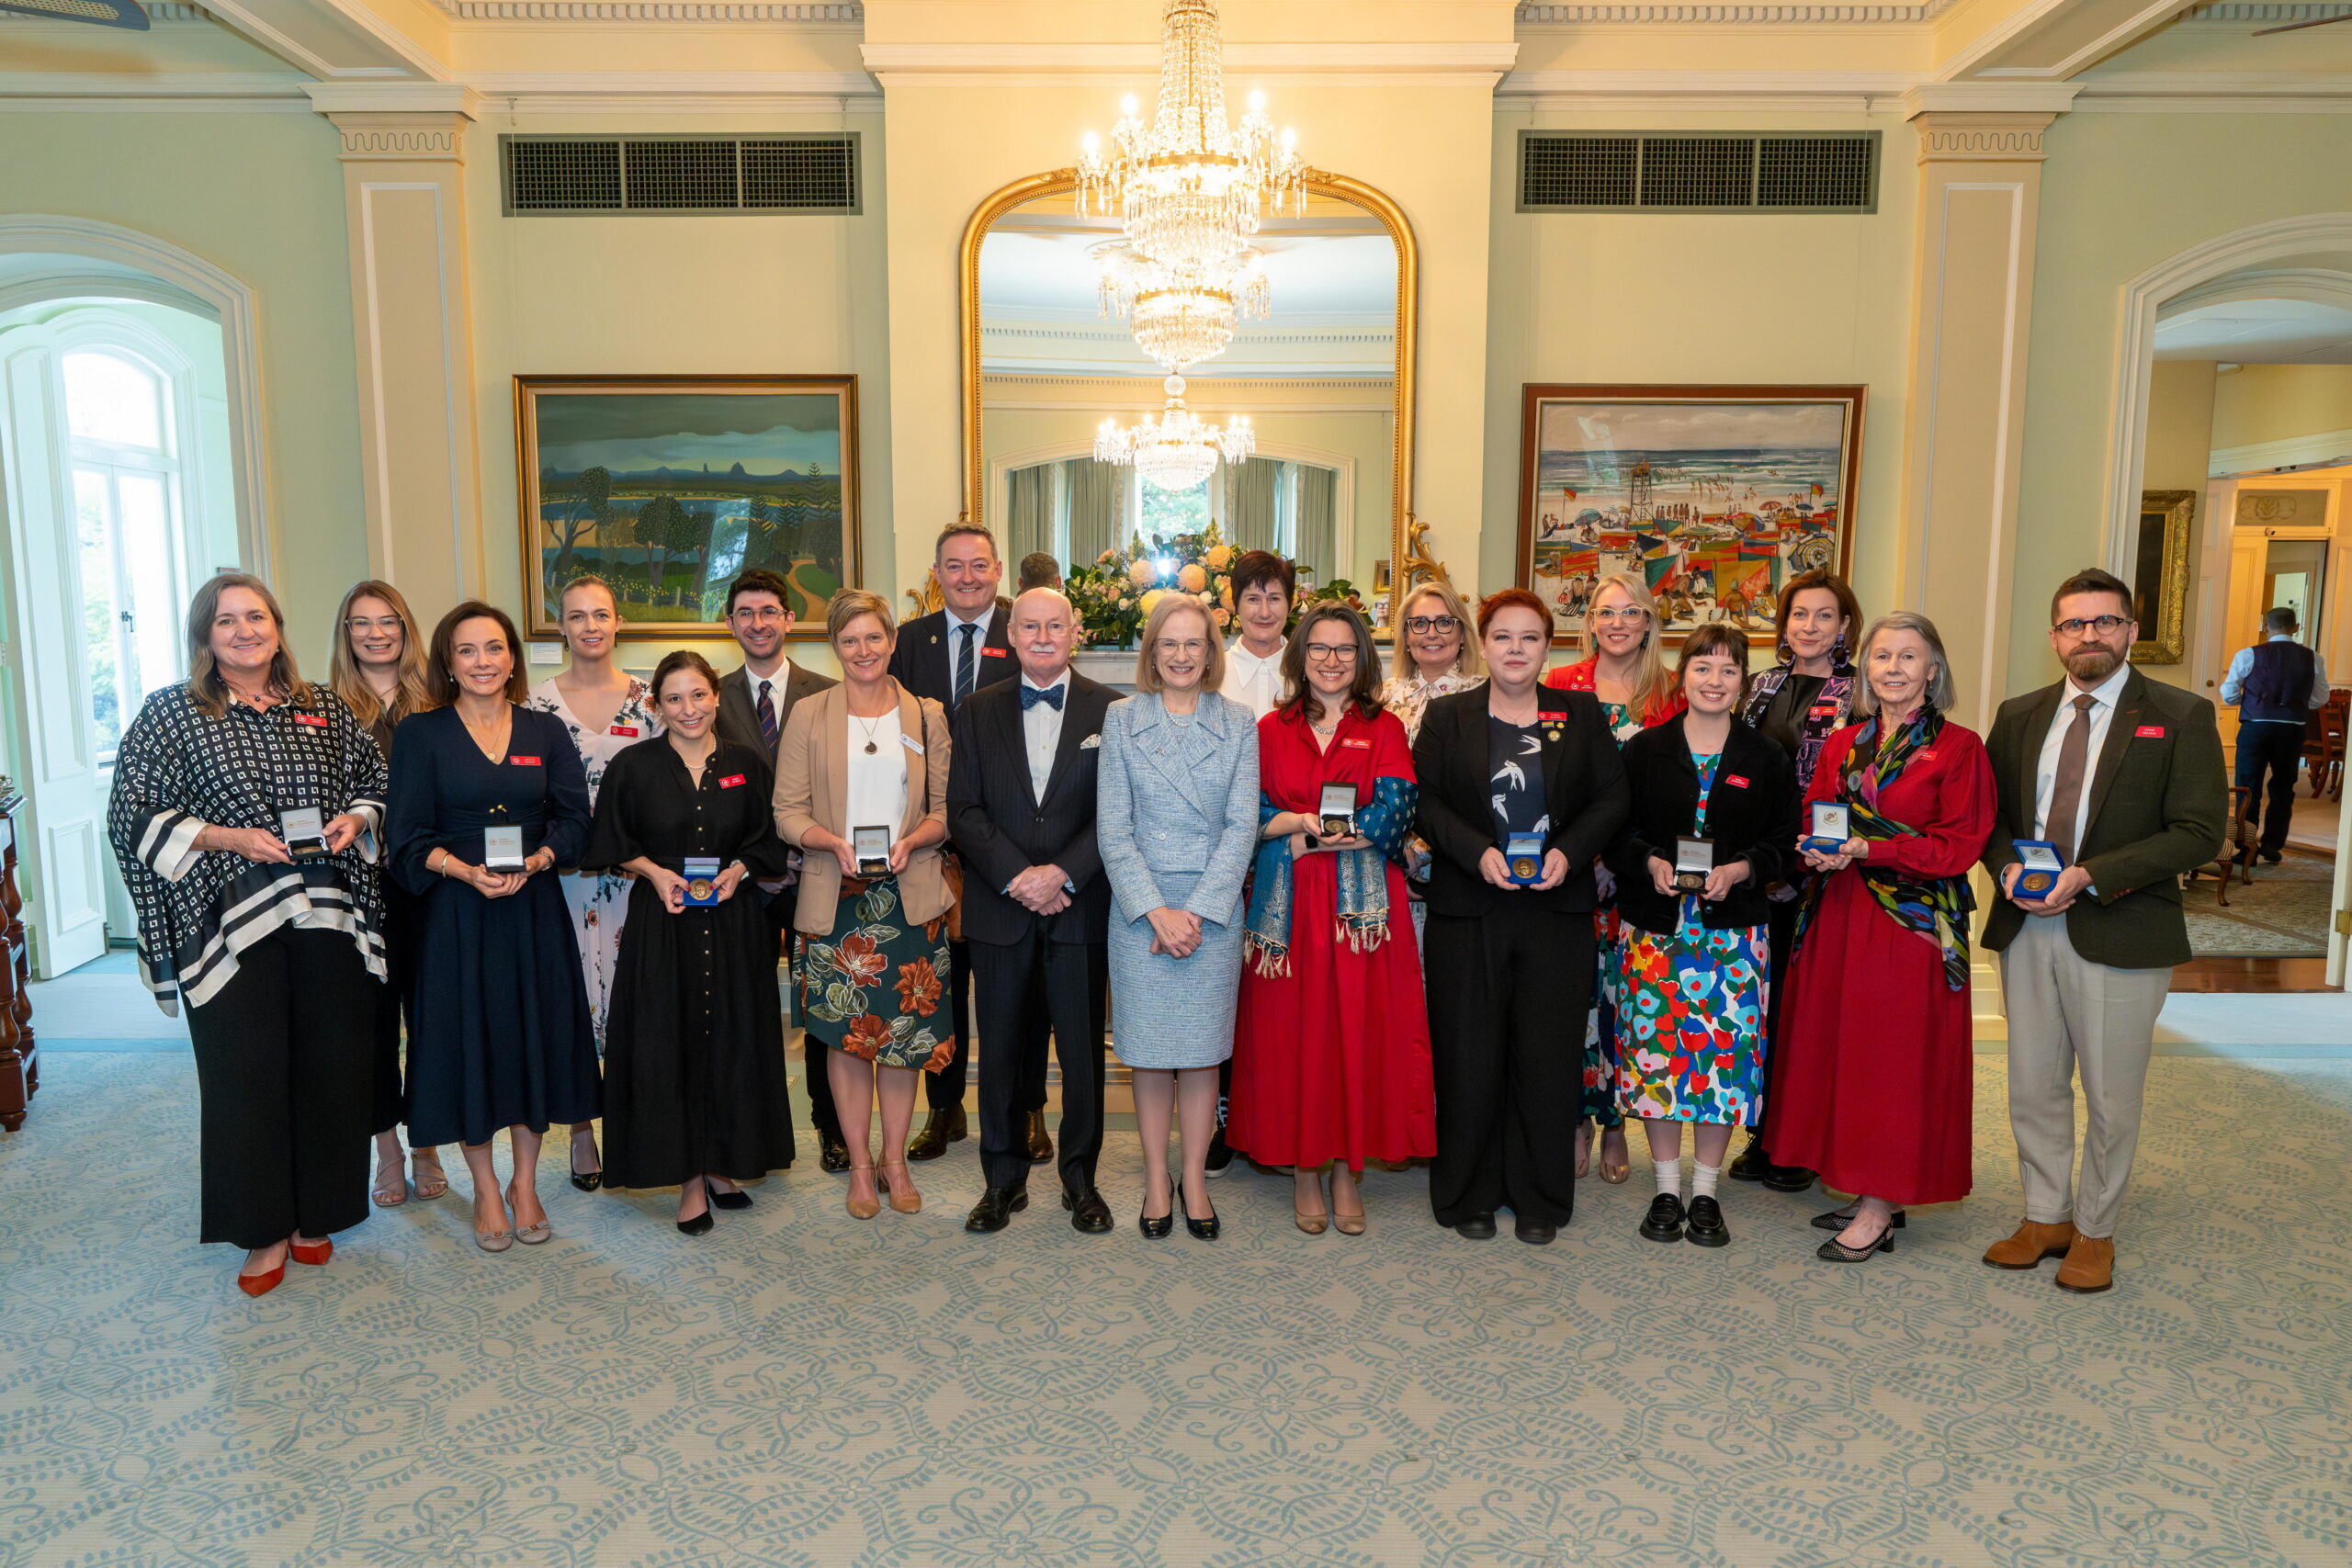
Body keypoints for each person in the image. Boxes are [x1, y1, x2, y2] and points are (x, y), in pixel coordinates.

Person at [107, 573, 388, 1297]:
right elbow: (130, 812)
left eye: (255, 616)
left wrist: (356, 820)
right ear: (206, 636)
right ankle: (264, 1229)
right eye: (226, 620)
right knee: (245, 1072)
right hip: (228, 924)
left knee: (328, 1065)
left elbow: (373, 779)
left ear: (277, 625)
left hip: (326, 914)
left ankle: (316, 1215)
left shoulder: (321, 704)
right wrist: (228, 835)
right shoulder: (172, 713)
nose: (243, 631)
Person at [1981, 569, 2225, 1293]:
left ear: (2130, 630)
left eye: (2104, 622)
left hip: (2121, 925)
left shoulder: (2181, 714)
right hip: (2026, 925)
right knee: (2033, 1083)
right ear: (2055, 636)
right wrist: (2003, 870)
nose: (2089, 635)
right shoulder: (2019, 712)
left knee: (2112, 1096)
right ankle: (2045, 1214)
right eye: (2073, 624)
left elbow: (2199, 831)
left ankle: (2095, 1229)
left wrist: (2087, 874)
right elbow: (1990, 817)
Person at [1771, 612, 1995, 1264]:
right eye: (1881, 656)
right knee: (1846, 1054)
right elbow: (1816, 810)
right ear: (1864, 669)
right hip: (1839, 912)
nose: (1892, 668)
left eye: (1908, 656)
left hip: (1909, 926)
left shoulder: (1960, 748)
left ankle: (1879, 1206)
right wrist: (1815, 849)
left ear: (1933, 669)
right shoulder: (1845, 744)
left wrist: (1869, 845)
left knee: (1891, 1065)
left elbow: (1960, 843)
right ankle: (1872, 1184)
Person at [1413, 589, 1626, 1244]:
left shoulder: (1581, 712)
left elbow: (1612, 798)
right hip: (1469, 907)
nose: (1514, 649)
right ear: (1483, 643)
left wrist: (1570, 850)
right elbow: (1427, 801)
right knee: (1468, 1054)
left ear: (1548, 645)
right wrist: (1476, 853)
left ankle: (1539, 1196)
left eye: (1529, 637)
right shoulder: (1448, 715)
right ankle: (1467, 1193)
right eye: (1502, 636)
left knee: (1545, 1055)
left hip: (1554, 910)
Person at [389, 602, 601, 1253]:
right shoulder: (421, 734)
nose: (483, 661)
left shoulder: (546, 732)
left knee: (532, 1041)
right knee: (469, 1046)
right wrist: (463, 869)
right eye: (468, 650)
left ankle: (525, 1181)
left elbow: (576, 821)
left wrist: (538, 859)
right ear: (448, 663)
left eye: (494, 648)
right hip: (455, 915)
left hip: (532, 912)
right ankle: (484, 1185)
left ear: (512, 657)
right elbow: (404, 838)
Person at [1227, 604, 1435, 1235]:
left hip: (1363, 914)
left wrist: (1333, 833)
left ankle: (1348, 1166)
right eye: (1319, 647)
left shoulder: (1387, 728)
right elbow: (1247, 811)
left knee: (1359, 1033)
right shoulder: (1267, 728)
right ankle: (1304, 1169)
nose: (1332, 659)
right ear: (1300, 654)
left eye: (1346, 649)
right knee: (1294, 1035)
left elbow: (1396, 810)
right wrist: (1292, 823)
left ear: (1363, 657)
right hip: (1287, 912)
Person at [582, 651, 797, 1235]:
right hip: (664, 922)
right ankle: (690, 1181)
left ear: (716, 698)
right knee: (668, 1044)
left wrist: (739, 873)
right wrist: (654, 872)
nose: (689, 709)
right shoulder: (635, 766)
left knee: (732, 1040)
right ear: (656, 705)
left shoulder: (748, 764)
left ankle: (724, 1162)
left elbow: (766, 842)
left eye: (698, 695)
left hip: (734, 926)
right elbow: (609, 841)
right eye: (674, 698)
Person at [1606, 624, 1798, 1248]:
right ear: (1681, 674)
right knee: (1660, 1059)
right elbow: (1619, 832)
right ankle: (1666, 1187)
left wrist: (1742, 870)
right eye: (1703, 667)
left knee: (1722, 1063)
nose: (1715, 680)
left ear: (1744, 683)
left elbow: (1784, 844)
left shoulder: (1766, 755)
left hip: (1733, 936)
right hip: (1656, 930)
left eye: (1729, 670)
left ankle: (1707, 1192)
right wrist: (1651, 862)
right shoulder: (1643, 749)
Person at [776, 590, 956, 1221]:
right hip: (839, 896)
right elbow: (786, 810)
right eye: (849, 640)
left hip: (909, 899)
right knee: (847, 1039)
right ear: (835, 646)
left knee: (903, 1039)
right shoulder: (809, 714)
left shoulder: (926, 715)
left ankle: (896, 1159)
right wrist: (827, 840)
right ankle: (858, 1164)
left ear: (892, 641)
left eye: (873, 638)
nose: (862, 650)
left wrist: (914, 839)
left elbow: (943, 810)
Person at [949, 588, 1119, 1235]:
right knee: (999, 1056)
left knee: (1081, 1057)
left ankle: (1081, 1178)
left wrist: (1063, 874)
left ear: (1075, 632)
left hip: (1079, 908)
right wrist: (1020, 876)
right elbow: (963, 809)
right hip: (1001, 907)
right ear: (1010, 635)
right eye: (1030, 626)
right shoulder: (976, 709)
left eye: (1055, 625)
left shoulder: (1114, 711)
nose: (1043, 636)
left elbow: (1116, 811)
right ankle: (1002, 1179)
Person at [1097, 595, 1261, 1239]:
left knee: (1199, 1055)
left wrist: (1194, 912)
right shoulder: (1121, 718)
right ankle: (1155, 1178)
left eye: (1194, 643)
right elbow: (1114, 828)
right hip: (1141, 912)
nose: (1182, 655)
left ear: (1211, 652)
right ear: (1151, 652)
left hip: (1211, 913)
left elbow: (1241, 825)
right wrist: (1156, 911)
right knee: (1150, 1053)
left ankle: (1193, 1175)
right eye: (1170, 643)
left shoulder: (1240, 721)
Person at [886, 524, 1021, 1163]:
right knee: (937, 983)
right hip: (932, 837)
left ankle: (1026, 1108)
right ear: (936, 573)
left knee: (1016, 987)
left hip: (1009, 838)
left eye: (979, 565)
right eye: (954, 567)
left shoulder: (1027, 628)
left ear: (999, 570)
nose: (967, 577)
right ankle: (944, 1109)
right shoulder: (910, 641)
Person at [1544, 571, 1684, 1187]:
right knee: (1574, 998)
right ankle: (1575, 1119)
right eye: (1606, 611)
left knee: (1627, 1005)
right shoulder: (1560, 686)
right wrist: (1582, 855)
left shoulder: (1672, 692)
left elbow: (1677, 791)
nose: (1618, 622)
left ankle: (1618, 1121)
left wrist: (1620, 857)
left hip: (1639, 873)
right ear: (1590, 621)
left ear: (1650, 620)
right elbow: (1549, 784)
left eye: (1631, 611)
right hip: (1573, 870)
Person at [1730, 569, 1864, 1193]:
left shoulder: (1859, 689)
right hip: (1763, 866)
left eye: (1823, 615)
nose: (1808, 627)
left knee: (1807, 1011)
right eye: (1798, 615)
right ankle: (1764, 1133)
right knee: (1765, 1005)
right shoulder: (1761, 685)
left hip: (1826, 872)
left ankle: (1802, 1144)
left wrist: (1810, 856)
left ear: (1844, 625)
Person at [525, 575, 660, 1192]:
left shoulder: (651, 699)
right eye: (576, 616)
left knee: (634, 1003)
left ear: (618, 620)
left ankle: (636, 1127)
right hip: (565, 883)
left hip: (636, 880)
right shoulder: (535, 705)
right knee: (573, 1005)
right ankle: (581, 1132)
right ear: (561, 625)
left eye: (601, 614)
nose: (590, 626)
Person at [712, 568, 844, 1171]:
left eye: (769, 611)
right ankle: (753, 1126)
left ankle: (831, 1125)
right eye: (745, 612)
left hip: (815, 869)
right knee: (748, 1006)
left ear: (790, 619)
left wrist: (801, 847)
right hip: (743, 880)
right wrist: (759, 856)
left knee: (822, 1002)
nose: (758, 622)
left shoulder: (828, 691)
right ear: (731, 621)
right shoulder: (708, 696)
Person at [326, 578, 446, 1210]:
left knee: (429, 1019)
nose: (376, 633)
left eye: (388, 621)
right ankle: (388, 1149)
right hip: (356, 890)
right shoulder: (321, 707)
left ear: (406, 628)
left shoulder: (437, 702)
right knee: (371, 1024)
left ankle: (426, 1140)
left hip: (427, 885)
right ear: (345, 635)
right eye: (361, 623)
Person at [2220, 604, 2329, 863]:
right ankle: (2272, 845)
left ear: (2266, 627)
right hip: (2291, 728)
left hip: (2255, 727)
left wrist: (2247, 703)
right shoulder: (2313, 657)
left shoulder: (2248, 654)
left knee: (2248, 786)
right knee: (2283, 786)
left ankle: (2247, 848)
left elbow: (2228, 693)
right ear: (2296, 628)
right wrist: (2295, 705)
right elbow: (2320, 697)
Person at [1220, 549, 1294, 720]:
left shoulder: (1310, 673)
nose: (1264, 613)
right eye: (1253, 599)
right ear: (1236, 605)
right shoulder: (1213, 673)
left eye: (1274, 598)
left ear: (1290, 605)